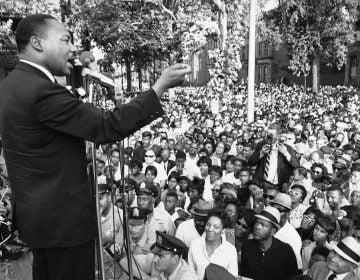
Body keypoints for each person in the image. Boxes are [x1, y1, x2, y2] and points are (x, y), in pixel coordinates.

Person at [0, 14, 191, 279]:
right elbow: (107, 126)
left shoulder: (12, 84)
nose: (73, 48)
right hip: (64, 225)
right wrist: (159, 88)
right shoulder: (40, 90)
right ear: (37, 42)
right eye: (65, 40)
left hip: (40, 221)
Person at [240, 206, 298, 280]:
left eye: (263, 225)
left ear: (272, 231)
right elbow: (244, 275)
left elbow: (294, 277)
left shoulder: (286, 251)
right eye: (257, 222)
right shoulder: (247, 246)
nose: (257, 227)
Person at [120, 231, 197, 280]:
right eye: (155, 254)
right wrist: (145, 277)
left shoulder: (187, 277)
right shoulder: (155, 261)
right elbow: (124, 261)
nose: (155, 259)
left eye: (161, 256)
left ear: (175, 259)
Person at [188, 208, 238, 280]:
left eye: (216, 227)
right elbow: (190, 274)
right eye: (208, 225)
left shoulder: (230, 251)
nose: (210, 229)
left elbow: (232, 277)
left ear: (223, 230)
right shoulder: (195, 245)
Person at [248, 123, 299, 188]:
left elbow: (296, 165)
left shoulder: (287, 149)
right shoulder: (261, 145)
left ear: (278, 136)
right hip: (261, 184)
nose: (268, 136)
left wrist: (286, 154)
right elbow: (250, 162)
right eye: (267, 134)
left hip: (279, 185)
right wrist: (261, 154)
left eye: (271, 135)